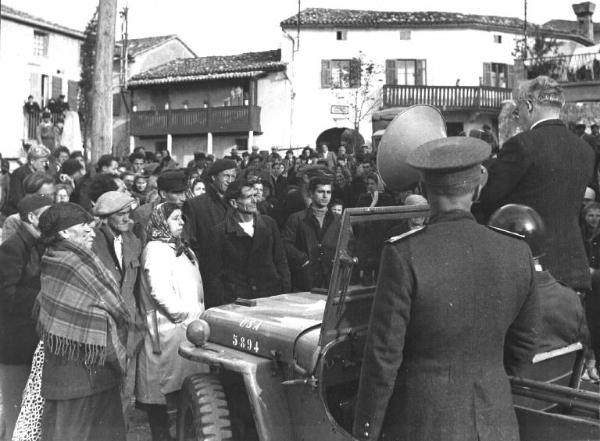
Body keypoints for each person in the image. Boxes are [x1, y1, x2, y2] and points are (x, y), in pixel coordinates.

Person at [353, 136, 540, 441]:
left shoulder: (404, 253)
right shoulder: (516, 250)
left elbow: (383, 357)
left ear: (424, 191)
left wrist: (365, 432)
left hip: (424, 423)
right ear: (478, 189)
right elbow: (524, 344)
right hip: (496, 419)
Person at [479, 76, 595, 293]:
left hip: (533, 271)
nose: (518, 117)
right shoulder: (585, 151)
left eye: (518, 110)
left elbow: (488, 200)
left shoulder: (521, 145)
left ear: (529, 105)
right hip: (574, 267)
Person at [36, 203, 131, 441]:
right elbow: (102, 319)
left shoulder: (54, 256)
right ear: (64, 233)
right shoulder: (74, 263)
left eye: (91, 227)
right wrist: (119, 360)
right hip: (88, 379)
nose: (91, 232)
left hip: (68, 379)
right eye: (84, 228)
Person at [136, 203, 204, 441]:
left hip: (183, 327)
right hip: (168, 328)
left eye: (181, 218)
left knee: (180, 386)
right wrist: (183, 315)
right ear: (161, 222)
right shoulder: (155, 249)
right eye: (175, 218)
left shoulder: (179, 247)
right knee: (164, 390)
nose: (182, 222)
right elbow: (159, 291)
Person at [0, 195, 52, 441]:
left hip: (29, 340)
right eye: (47, 214)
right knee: (16, 414)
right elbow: (7, 296)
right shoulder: (12, 247)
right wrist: (47, 296)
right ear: (32, 217)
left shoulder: (35, 243)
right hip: (15, 345)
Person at [206, 179, 291, 306]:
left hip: (271, 297)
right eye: (248, 197)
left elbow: (281, 261)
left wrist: (285, 291)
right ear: (234, 203)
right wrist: (224, 302)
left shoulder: (269, 224)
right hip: (238, 302)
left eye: (255, 196)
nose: (254, 200)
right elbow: (214, 276)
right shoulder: (219, 233)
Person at [183, 158, 237, 288]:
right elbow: (190, 241)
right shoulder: (195, 205)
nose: (230, 180)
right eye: (226, 176)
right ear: (213, 177)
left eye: (233, 176)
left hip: (236, 275)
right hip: (209, 276)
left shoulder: (237, 202)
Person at [282, 176, 341, 291]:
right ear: (311, 194)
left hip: (330, 277)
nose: (325, 196)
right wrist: (303, 259)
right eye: (321, 192)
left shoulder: (338, 220)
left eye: (328, 192)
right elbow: (285, 243)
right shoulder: (296, 218)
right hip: (305, 278)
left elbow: (349, 243)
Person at [2, 172, 55, 242]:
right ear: (30, 196)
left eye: (52, 194)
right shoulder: (15, 221)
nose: (50, 199)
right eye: (44, 196)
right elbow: (10, 251)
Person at [3, 145, 50, 217]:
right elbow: (17, 199)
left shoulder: (43, 173)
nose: (44, 165)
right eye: (42, 162)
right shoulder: (19, 173)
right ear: (32, 161)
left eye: (46, 162)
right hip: (17, 214)